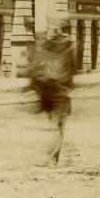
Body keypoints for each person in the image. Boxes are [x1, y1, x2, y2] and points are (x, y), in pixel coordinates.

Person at [28, 21, 77, 165]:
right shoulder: (66, 50)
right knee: (57, 126)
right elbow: (72, 72)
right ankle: (54, 158)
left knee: (55, 125)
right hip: (56, 93)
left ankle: (53, 158)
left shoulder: (45, 49)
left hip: (51, 93)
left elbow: (35, 72)